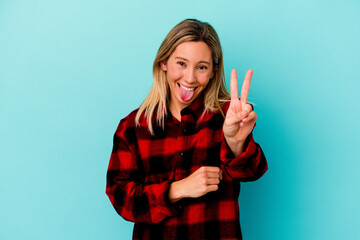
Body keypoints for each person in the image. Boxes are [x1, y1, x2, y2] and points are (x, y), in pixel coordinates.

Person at [106, 19, 268, 240]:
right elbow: (120, 197)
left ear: (213, 72)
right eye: (181, 63)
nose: (190, 78)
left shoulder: (230, 117)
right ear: (164, 62)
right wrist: (178, 189)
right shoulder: (133, 127)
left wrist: (235, 142)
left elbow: (252, 171)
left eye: (201, 67)